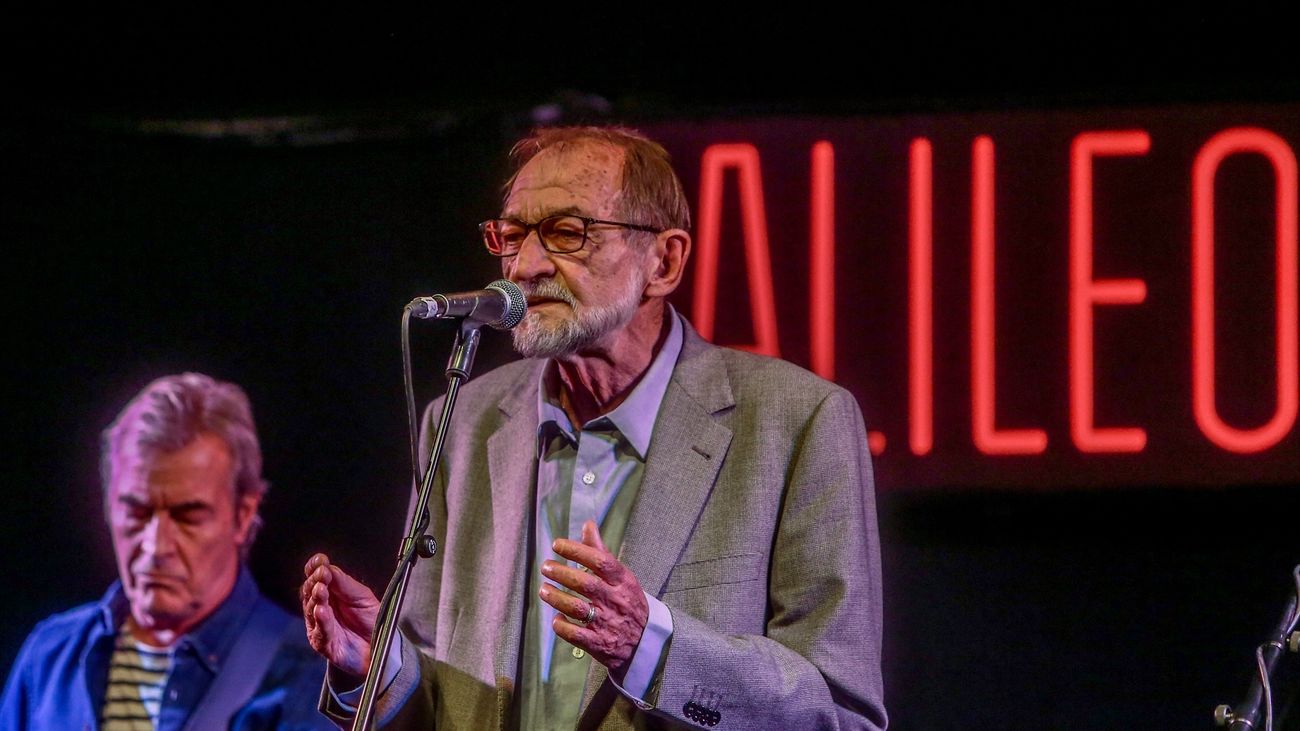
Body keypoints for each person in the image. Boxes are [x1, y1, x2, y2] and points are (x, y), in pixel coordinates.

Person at [303, 126, 887, 729]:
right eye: (510, 236)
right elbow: (445, 700)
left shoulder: (798, 422)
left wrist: (652, 648)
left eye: (566, 232)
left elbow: (839, 713)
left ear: (664, 261)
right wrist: (382, 668)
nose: (523, 267)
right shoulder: (463, 423)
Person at [1, 372, 334, 731]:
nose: (155, 546)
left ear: (243, 515)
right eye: (136, 512)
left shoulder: (310, 675)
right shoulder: (49, 656)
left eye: (188, 516)